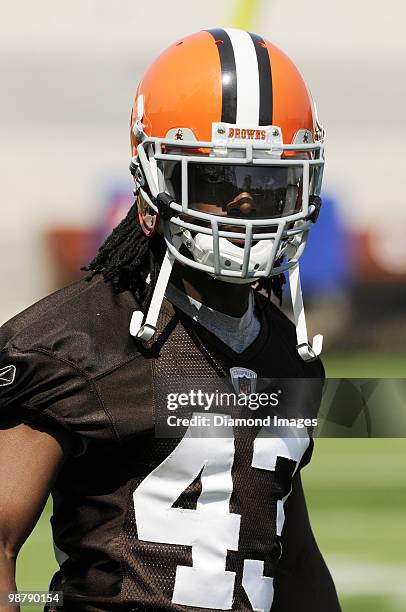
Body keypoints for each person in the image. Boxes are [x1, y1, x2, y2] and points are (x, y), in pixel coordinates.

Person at [0, 28, 341, 611]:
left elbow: (286, 550)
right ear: (152, 182)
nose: (245, 201)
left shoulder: (286, 350)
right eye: (217, 178)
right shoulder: (76, 342)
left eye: (265, 180)